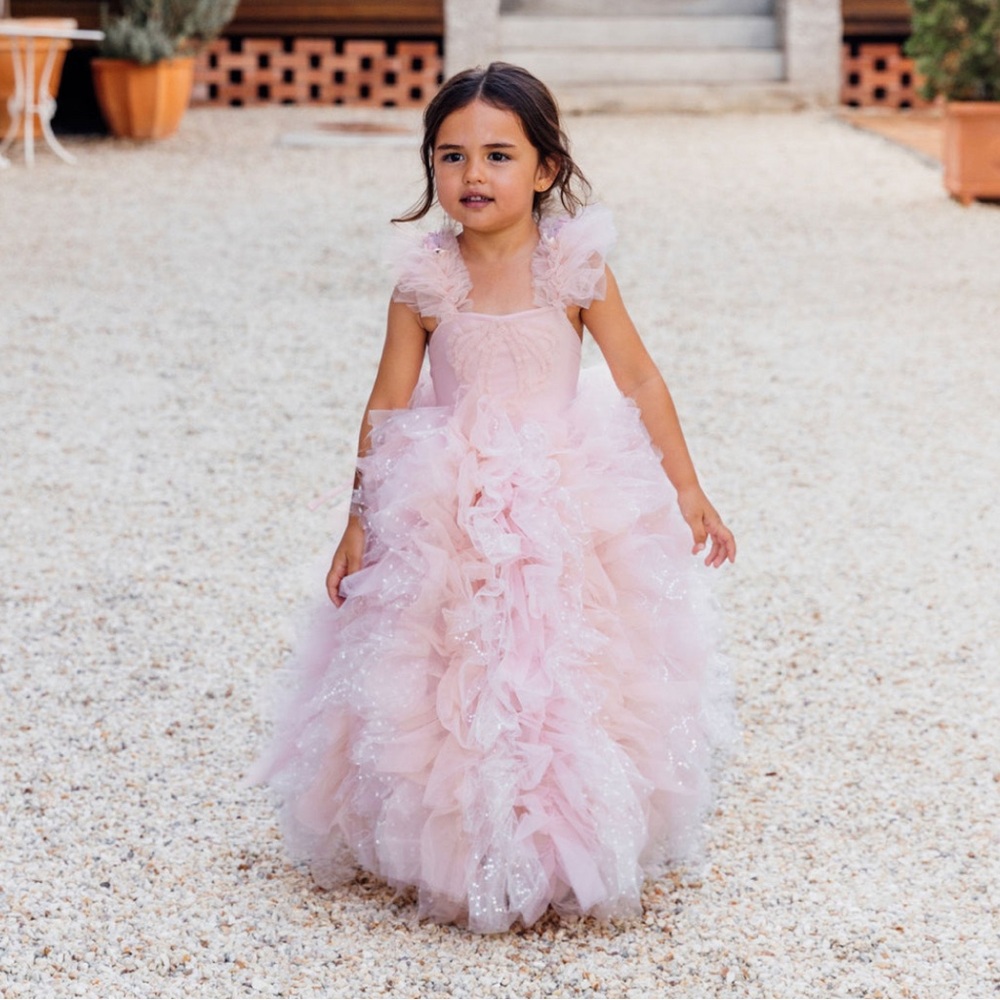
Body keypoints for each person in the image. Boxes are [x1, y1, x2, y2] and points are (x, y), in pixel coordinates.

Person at [251, 62, 736, 934]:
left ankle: (560, 839)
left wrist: (688, 488)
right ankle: (468, 840)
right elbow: (387, 402)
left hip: (563, 492)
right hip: (450, 497)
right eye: (452, 156)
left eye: (499, 156)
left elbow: (639, 379)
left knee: (564, 665)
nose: (473, 174)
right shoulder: (425, 281)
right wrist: (358, 520)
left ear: (546, 168)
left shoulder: (574, 269)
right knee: (453, 666)